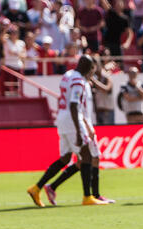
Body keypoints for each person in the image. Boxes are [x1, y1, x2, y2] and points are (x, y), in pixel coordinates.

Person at [27, 55, 108, 207]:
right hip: (72, 120)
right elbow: (74, 104)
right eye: (91, 69)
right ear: (86, 68)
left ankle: (36, 188)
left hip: (62, 118)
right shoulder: (78, 81)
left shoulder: (68, 75)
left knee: (65, 158)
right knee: (87, 155)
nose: (91, 73)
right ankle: (87, 196)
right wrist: (78, 131)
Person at [43, 69, 115, 205]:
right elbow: (79, 108)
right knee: (92, 158)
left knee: (83, 161)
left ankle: (52, 186)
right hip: (83, 125)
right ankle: (94, 195)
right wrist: (87, 126)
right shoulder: (81, 84)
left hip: (84, 123)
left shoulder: (82, 83)